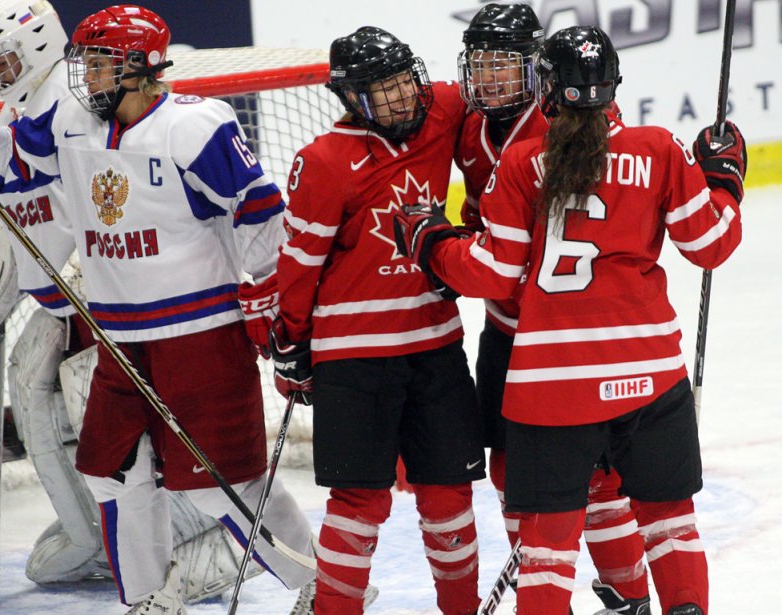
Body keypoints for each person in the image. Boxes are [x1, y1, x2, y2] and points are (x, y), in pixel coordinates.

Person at [0, 5, 319, 613]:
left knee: (222, 486)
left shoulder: (196, 125)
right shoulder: (71, 122)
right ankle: (153, 596)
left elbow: (258, 209)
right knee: (112, 473)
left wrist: (271, 298)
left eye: (103, 64)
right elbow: (23, 167)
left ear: (142, 67)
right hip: (120, 336)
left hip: (199, 334)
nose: (88, 75)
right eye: (87, 63)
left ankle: (319, 584)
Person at [394, 25, 745, 615]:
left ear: (547, 89)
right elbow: (710, 243)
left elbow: (491, 276)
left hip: (551, 385)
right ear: (613, 88)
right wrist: (723, 180)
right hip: (650, 375)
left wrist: (432, 241)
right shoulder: (658, 149)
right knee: (671, 525)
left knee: (548, 550)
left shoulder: (522, 162)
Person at [271, 26, 484, 615]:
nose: (399, 99)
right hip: (354, 356)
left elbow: (505, 100)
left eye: (402, 84)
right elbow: (299, 263)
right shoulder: (323, 161)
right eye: (381, 91)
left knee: (448, 493)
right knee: (360, 501)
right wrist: (290, 339)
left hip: (435, 342)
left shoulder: (440, 107)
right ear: (349, 98)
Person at [456, 5, 651, 613]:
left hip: (566, 338)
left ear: (536, 71)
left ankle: (630, 590)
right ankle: (545, 594)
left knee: (597, 481)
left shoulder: (565, 127)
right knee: (510, 476)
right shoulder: (468, 128)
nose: (490, 80)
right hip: (504, 331)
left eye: (504, 66)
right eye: (480, 66)